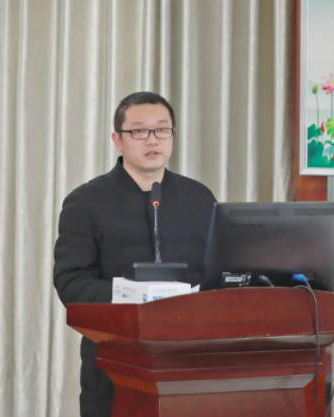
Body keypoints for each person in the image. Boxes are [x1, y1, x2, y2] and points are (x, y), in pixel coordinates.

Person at [53, 91, 217, 417]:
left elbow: (216, 273)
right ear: (118, 140)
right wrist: (132, 296)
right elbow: (71, 283)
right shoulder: (85, 202)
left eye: (162, 130)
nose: (152, 140)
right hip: (115, 362)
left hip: (190, 359)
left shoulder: (199, 198)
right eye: (140, 131)